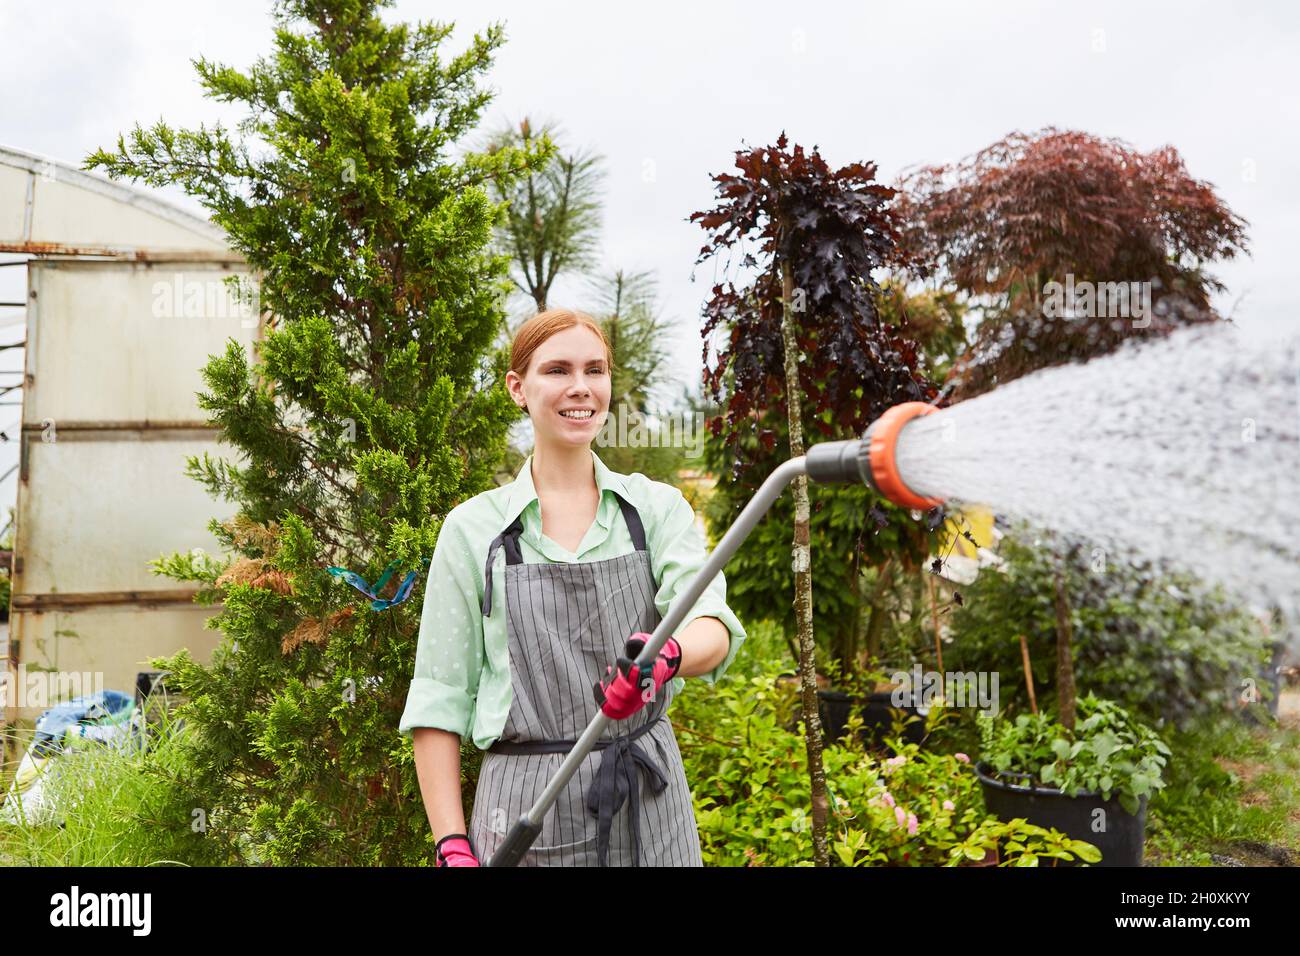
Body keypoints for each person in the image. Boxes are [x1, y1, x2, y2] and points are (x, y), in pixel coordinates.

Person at [400, 307, 747, 867]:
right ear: (518, 387)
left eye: (596, 370)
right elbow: (440, 699)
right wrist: (451, 844)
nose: (581, 388)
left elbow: (710, 624)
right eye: (557, 370)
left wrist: (665, 659)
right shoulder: (472, 531)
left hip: (648, 807)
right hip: (524, 810)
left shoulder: (653, 510)